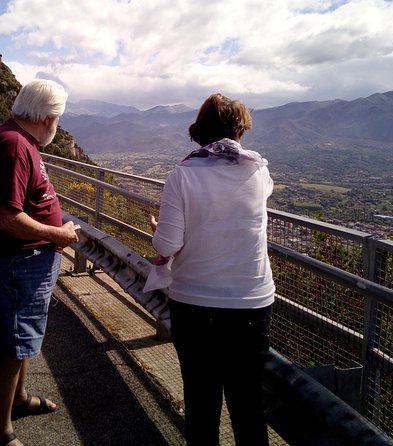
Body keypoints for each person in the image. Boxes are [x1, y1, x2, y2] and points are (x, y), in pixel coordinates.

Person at [150, 93, 275, 445]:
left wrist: (160, 229)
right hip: (251, 304)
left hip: (194, 305)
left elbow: (167, 246)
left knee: (202, 407)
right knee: (249, 407)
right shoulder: (259, 171)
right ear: (239, 132)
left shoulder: (182, 175)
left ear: (199, 132)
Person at [0, 79, 79, 446]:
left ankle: (17, 400)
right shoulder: (14, 146)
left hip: (23, 261)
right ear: (47, 117)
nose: (57, 127)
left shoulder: (18, 140)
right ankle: (0, 433)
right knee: (13, 347)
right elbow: (6, 218)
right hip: (16, 263)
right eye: (58, 119)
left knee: (23, 340)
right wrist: (58, 235)